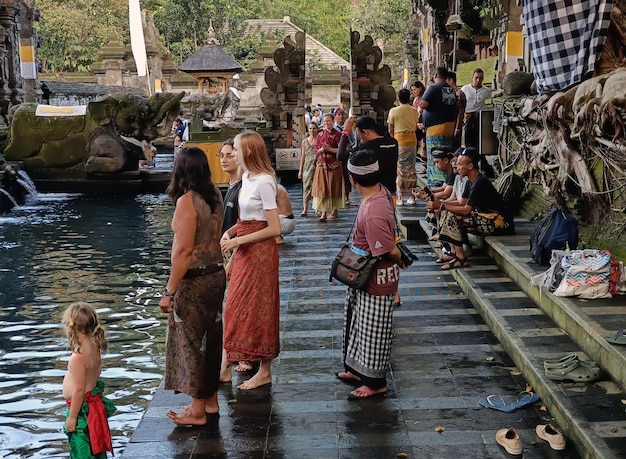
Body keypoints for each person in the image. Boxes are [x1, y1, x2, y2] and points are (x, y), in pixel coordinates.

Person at [159, 146, 226, 425]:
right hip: (216, 274)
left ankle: (197, 410)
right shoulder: (215, 196)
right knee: (210, 340)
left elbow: (184, 252)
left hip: (195, 281)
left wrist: (169, 291)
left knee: (192, 344)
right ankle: (209, 402)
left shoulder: (188, 202)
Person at [335, 149, 407, 399]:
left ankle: (376, 383)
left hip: (375, 278)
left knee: (373, 330)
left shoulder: (373, 210)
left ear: (352, 179)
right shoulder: (380, 192)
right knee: (358, 325)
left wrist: (402, 260)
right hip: (363, 277)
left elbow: (388, 250)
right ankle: (357, 370)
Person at [220, 131, 281, 390]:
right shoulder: (246, 177)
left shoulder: (265, 181)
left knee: (262, 308)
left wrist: (236, 242)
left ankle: (264, 369)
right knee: (233, 307)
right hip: (245, 246)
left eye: (235, 149)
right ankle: (227, 365)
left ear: (248, 152)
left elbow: (274, 227)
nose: (232, 154)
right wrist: (232, 231)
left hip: (261, 252)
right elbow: (246, 217)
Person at [338, 115, 403, 308]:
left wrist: (345, 130)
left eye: (360, 134)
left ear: (365, 132)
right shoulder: (392, 142)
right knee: (388, 241)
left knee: (379, 247)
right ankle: (394, 291)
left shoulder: (366, 149)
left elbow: (341, 156)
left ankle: (388, 290)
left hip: (374, 198)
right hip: (389, 196)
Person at [428, 149, 513, 270]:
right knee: (448, 212)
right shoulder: (470, 181)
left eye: (460, 164)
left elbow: (466, 210)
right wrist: (441, 205)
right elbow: (461, 202)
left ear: (470, 166)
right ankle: (453, 252)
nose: (457, 167)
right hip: (484, 218)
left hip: (498, 223)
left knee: (453, 216)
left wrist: (441, 205)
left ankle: (461, 258)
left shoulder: (480, 182)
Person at [62, 302, 115, 459]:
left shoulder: (78, 357)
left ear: (70, 326)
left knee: (81, 450)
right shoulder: (94, 348)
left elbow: (79, 390)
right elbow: (96, 375)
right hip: (91, 407)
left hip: (81, 411)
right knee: (94, 448)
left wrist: (72, 417)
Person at [420, 66, 458, 185]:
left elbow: (423, 104)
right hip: (449, 125)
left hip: (435, 127)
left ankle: (438, 178)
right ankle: (447, 177)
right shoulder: (451, 89)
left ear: (435, 76)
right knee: (446, 152)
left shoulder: (433, 87)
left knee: (435, 152)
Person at [388, 88, 420, 205]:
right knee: (411, 168)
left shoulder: (393, 111)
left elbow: (390, 129)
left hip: (399, 140)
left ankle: (400, 197)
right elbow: (416, 126)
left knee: (400, 169)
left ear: (398, 98)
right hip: (411, 140)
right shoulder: (414, 111)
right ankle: (412, 196)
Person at [312, 113, 344, 221]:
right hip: (322, 164)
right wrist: (321, 150)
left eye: (328, 121)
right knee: (322, 188)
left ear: (333, 121)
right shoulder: (320, 135)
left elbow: (341, 150)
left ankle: (335, 210)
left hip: (334, 165)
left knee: (333, 187)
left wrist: (330, 149)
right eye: (324, 121)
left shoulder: (338, 134)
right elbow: (316, 150)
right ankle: (323, 212)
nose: (326, 123)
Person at [461, 68, 491, 150]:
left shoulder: (486, 91)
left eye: (480, 78)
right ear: (472, 78)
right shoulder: (465, 89)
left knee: (481, 139)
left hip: (481, 117)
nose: (478, 80)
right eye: (476, 78)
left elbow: (489, 103)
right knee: (469, 138)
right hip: (468, 116)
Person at [334, 107, 356, 205]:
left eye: (342, 114)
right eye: (338, 114)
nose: (341, 117)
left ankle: (347, 197)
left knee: (346, 176)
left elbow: (352, 140)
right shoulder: (333, 128)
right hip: (335, 154)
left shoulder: (348, 127)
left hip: (345, 154)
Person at [298, 122, 319, 216]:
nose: (312, 130)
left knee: (317, 187)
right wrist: (300, 171)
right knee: (306, 188)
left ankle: (317, 208)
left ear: (317, 129)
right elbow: (303, 156)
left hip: (317, 166)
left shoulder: (319, 140)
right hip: (307, 167)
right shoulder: (304, 141)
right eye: (310, 128)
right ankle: (305, 209)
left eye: (314, 128)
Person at [446, 72, 467, 150]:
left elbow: (461, 112)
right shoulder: (450, 93)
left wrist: (457, 127)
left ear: (451, 80)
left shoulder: (458, 94)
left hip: (455, 125)